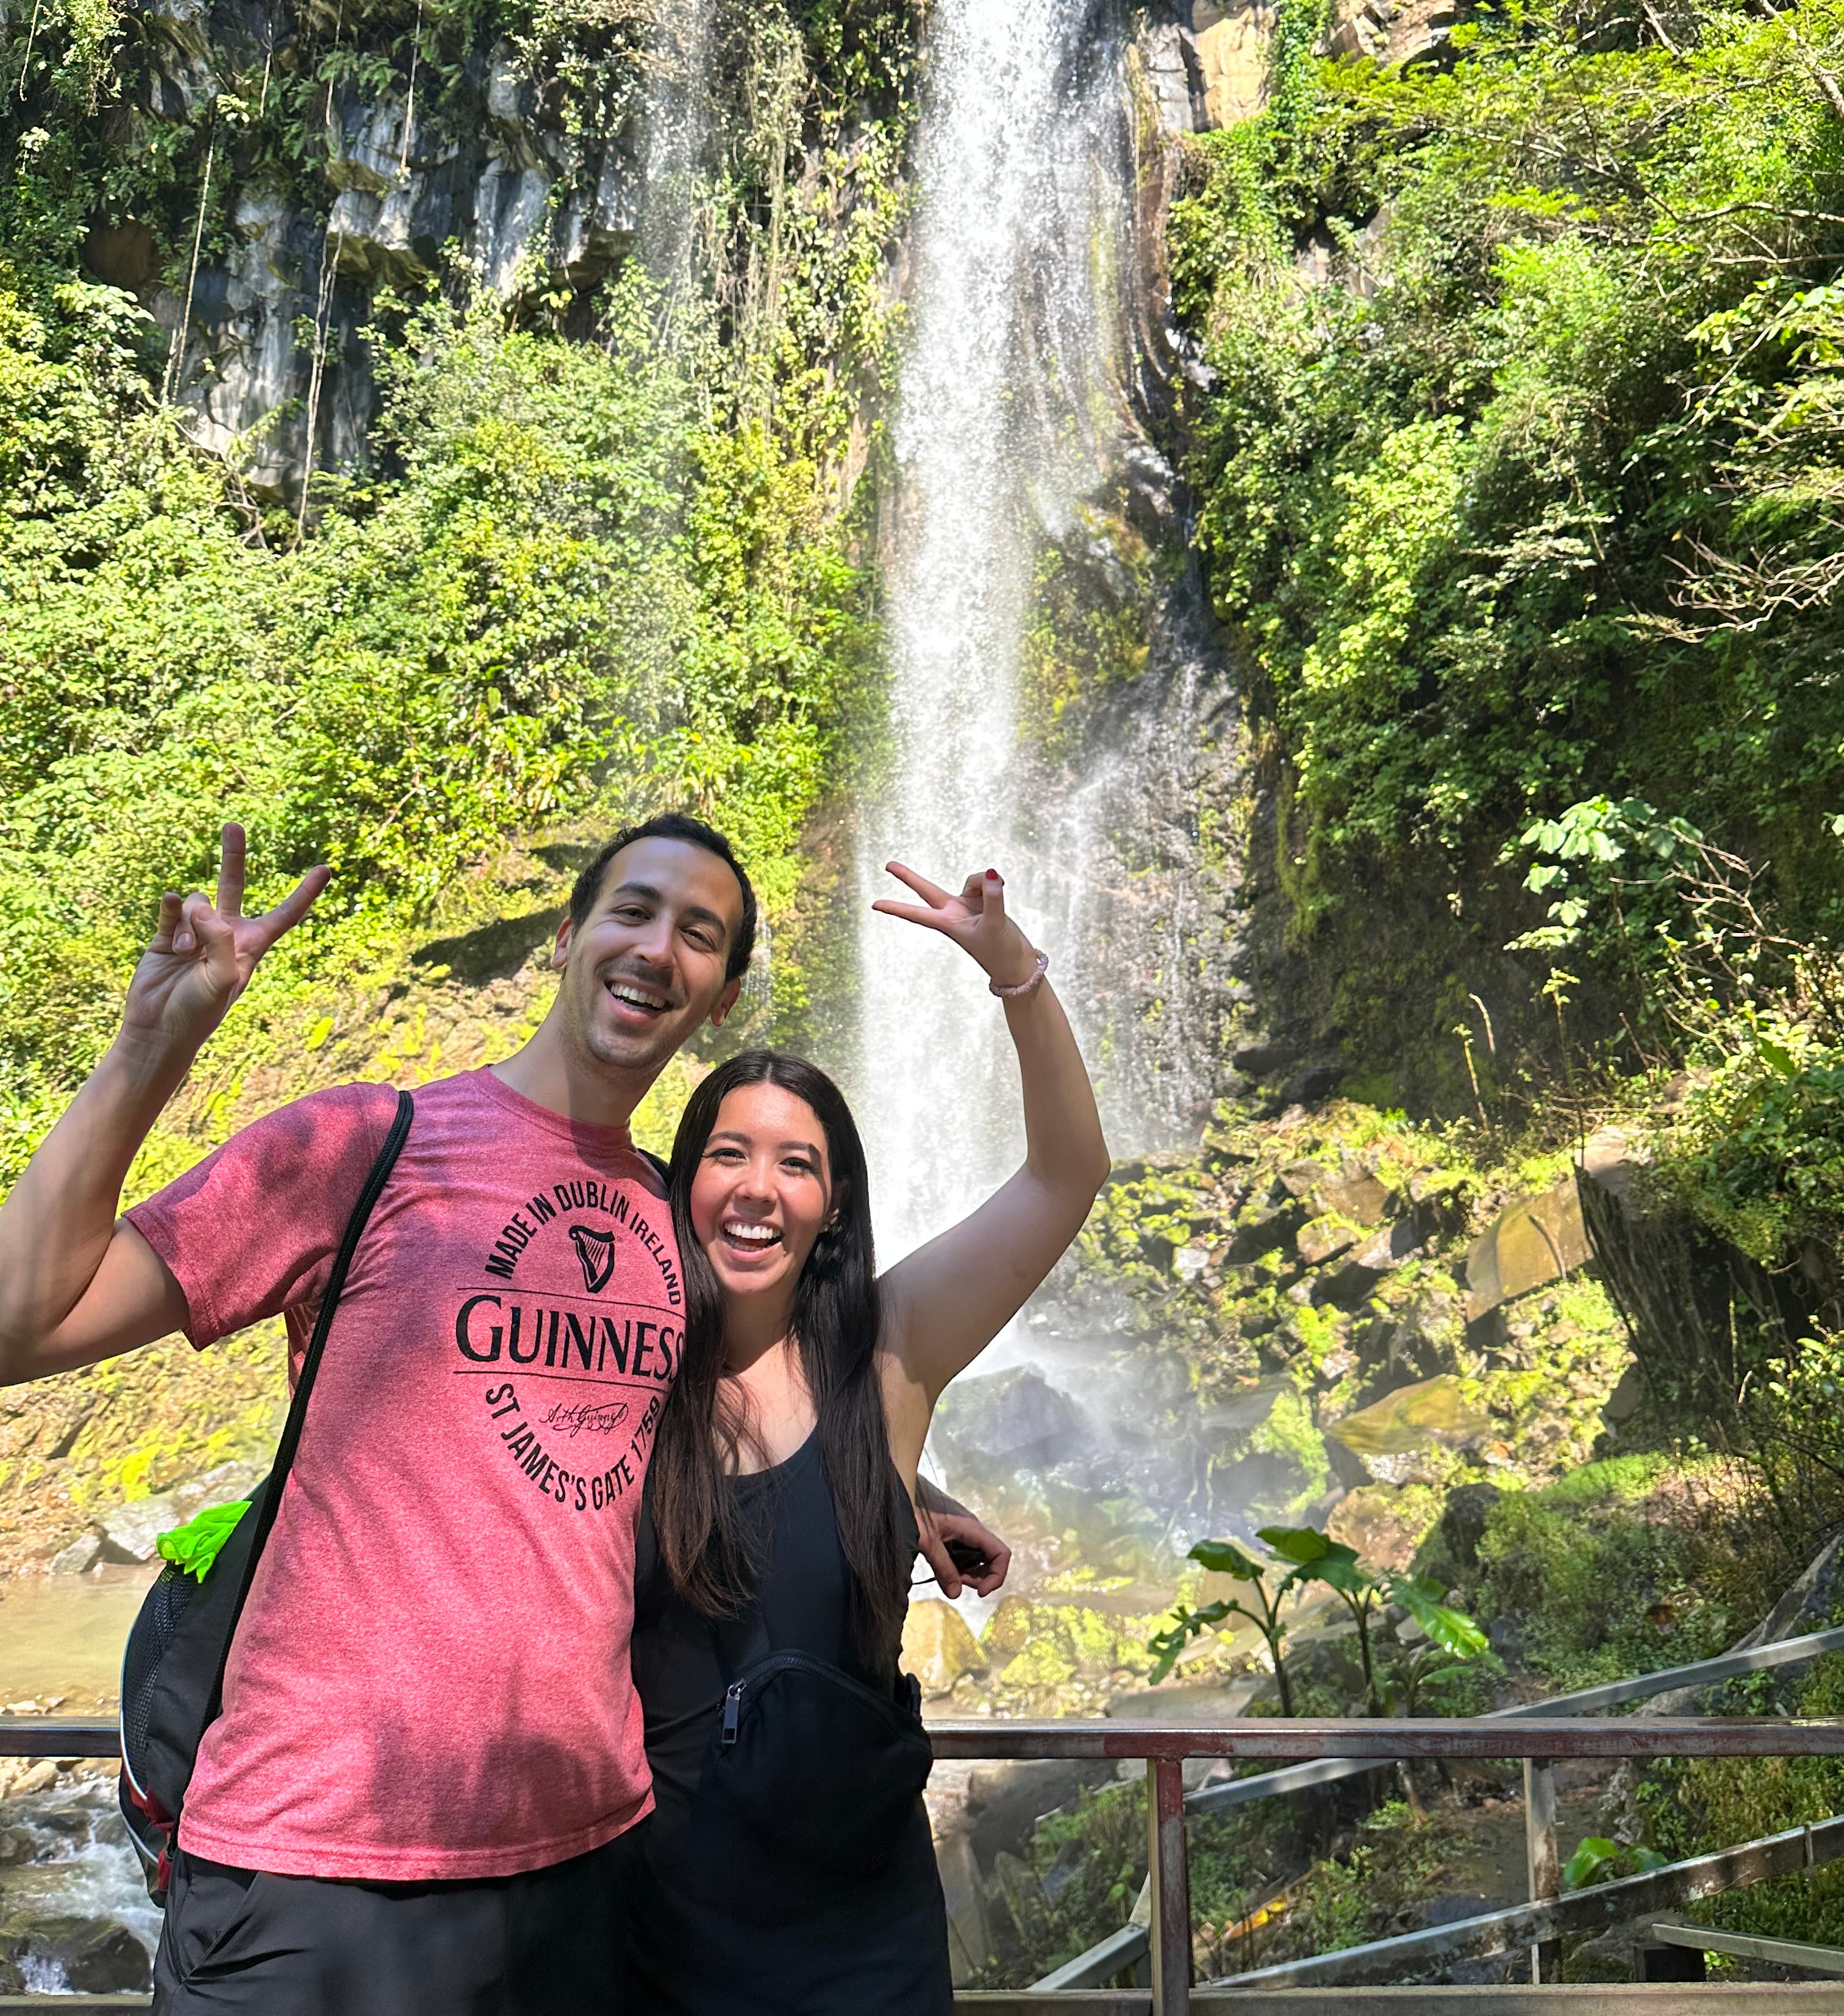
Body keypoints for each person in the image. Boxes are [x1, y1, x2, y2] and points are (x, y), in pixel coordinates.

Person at [0, 817, 1005, 2014]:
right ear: (569, 936)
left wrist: (904, 1494)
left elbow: (741, 1402)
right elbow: (21, 1327)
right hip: (308, 1865)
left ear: (723, 998)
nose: (658, 948)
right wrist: (149, 1047)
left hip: (575, 1887)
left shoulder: (679, 1227)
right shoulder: (367, 1144)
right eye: (633, 910)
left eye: (699, 934)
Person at [629, 859, 1110, 2016]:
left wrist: (1015, 975)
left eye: (796, 1163)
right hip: (657, 1928)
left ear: (834, 1203)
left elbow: (1067, 1174)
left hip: (858, 1931)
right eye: (728, 1154)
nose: (758, 1189)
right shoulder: (621, 1366)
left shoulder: (889, 1355)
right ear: (684, 1182)